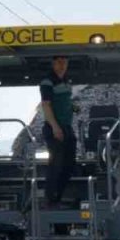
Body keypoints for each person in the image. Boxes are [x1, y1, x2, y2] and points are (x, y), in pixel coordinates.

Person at [39, 55, 77, 205]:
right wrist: (55, 127)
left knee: (69, 163)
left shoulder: (67, 80)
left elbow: (64, 101)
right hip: (54, 127)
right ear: (53, 63)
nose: (62, 65)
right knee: (56, 163)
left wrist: (72, 107)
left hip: (67, 127)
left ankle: (60, 195)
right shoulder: (47, 82)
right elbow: (46, 105)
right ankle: (51, 197)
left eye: (64, 61)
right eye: (58, 62)